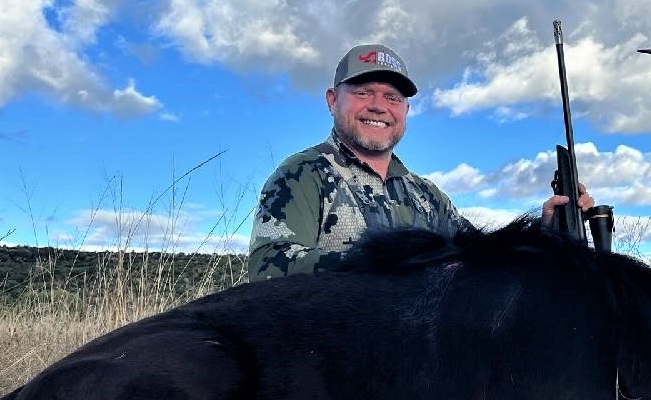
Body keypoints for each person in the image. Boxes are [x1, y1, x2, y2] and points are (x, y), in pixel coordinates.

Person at [249, 43, 593, 281]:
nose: (378, 106)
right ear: (332, 100)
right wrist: (394, 263)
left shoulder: (427, 196)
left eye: (392, 97)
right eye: (363, 92)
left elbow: (483, 260)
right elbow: (269, 268)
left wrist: (549, 229)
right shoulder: (301, 175)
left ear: (405, 110)